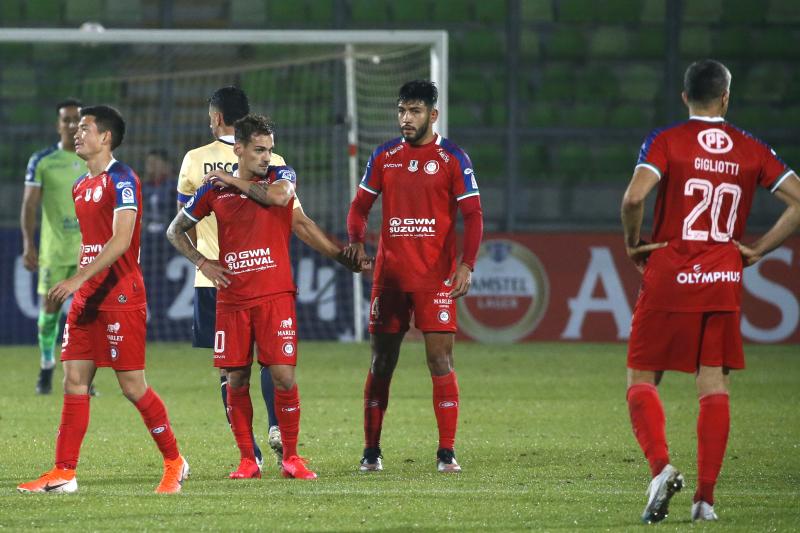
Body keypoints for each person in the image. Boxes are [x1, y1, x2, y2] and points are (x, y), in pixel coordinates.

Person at [621, 59, 800, 523]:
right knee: (713, 382)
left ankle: (661, 469)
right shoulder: (750, 147)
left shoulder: (666, 141)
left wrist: (633, 243)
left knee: (643, 378)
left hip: (670, 268)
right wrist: (758, 249)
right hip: (722, 274)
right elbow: (799, 198)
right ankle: (705, 501)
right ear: (725, 97)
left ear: (685, 97)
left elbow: (634, 198)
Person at [167, 114, 357, 480]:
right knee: (235, 379)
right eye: (259, 150)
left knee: (284, 376)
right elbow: (176, 231)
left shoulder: (280, 177)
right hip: (232, 299)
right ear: (238, 148)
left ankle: (292, 457)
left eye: (269, 150)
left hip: (275, 296)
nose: (267, 157)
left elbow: (280, 198)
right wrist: (203, 263)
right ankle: (247, 460)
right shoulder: (212, 191)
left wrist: (229, 178)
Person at [18, 105, 189, 494]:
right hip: (88, 298)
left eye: (85, 128)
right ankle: (64, 473)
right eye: (76, 128)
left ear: (105, 137)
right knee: (74, 380)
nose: (77, 134)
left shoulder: (124, 179)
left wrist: (76, 279)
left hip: (120, 294)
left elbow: (121, 240)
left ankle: (174, 461)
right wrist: (80, 283)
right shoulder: (80, 185)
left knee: (132, 387)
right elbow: (93, 242)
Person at [345, 80, 484, 473]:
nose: (406, 118)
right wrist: (356, 240)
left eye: (415, 111)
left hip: (435, 279)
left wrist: (467, 264)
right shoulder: (384, 156)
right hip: (389, 279)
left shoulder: (454, 158)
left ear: (433, 115)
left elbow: (473, 216)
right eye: (402, 110)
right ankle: (371, 452)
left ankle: (446, 452)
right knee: (381, 362)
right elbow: (359, 207)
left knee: (440, 361)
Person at [176, 86, 282, 466]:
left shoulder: (194, 159)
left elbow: (182, 222)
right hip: (264, 274)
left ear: (218, 118)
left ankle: (248, 450)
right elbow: (290, 212)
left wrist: (203, 259)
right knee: (272, 358)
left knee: (229, 369)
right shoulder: (270, 158)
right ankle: (276, 425)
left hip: (214, 279)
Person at [20, 98, 85, 395]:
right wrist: (28, 243)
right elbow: (29, 205)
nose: (72, 125)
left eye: (77, 120)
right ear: (58, 124)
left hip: (90, 252)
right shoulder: (42, 160)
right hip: (55, 251)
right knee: (51, 310)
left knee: (89, 315)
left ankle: (83, 377)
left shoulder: (96, 160)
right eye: (66, 120)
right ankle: (47, 366)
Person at [142, 148, 175, 235]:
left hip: (168, 234)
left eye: (155, 161)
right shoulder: (142, 187)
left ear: (166, 165)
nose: (151, 165)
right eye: (149, 162)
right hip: (146, 235)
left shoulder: (174, 187)